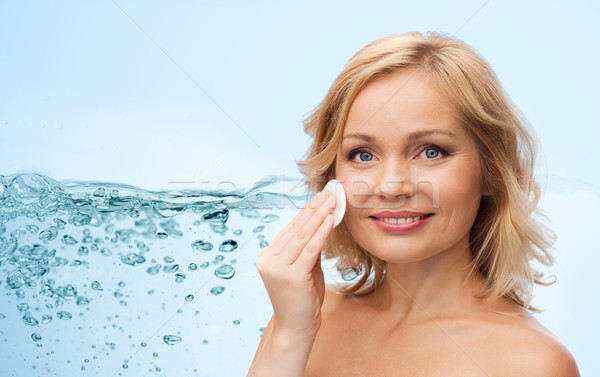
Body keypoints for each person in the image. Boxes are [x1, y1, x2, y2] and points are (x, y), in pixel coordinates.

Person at [247, 31, 580, 376]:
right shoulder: (302, 321)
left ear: (492, 172)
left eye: (431, 151)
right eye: (363, 154)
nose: (392, 186)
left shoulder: (530, 363)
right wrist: (290, 336)